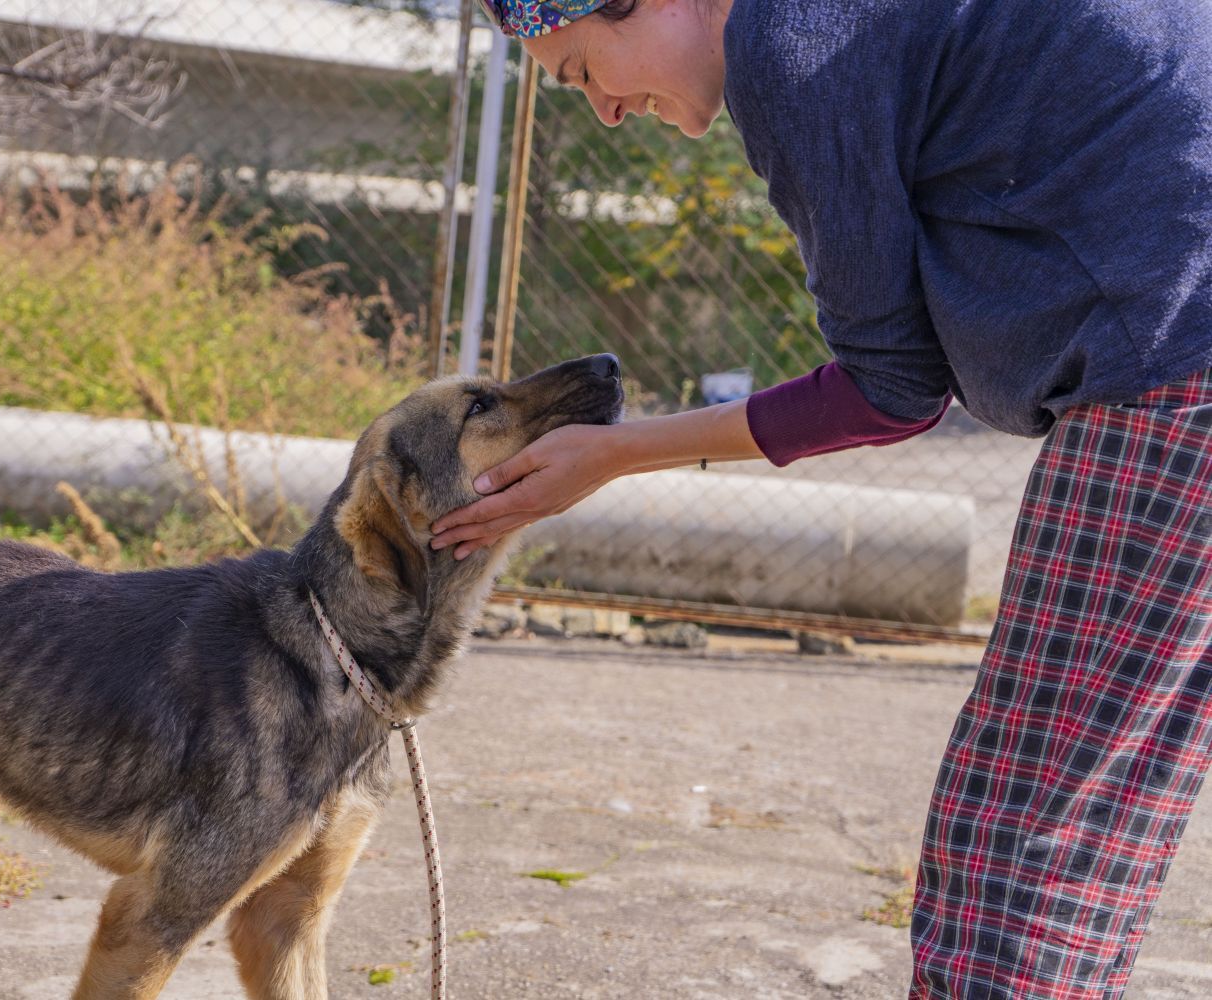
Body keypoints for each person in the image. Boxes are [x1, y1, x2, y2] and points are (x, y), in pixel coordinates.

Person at [432, 0, 1212, 996]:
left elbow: (889, 389)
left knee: (1023, 847)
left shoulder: (789, 43)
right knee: (1082, 819)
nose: (608, 113)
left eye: (582, 70)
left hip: (1178, 359)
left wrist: (617, 453)